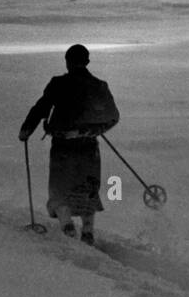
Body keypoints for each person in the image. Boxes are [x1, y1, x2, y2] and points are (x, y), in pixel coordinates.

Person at [18, 44, 119, 245]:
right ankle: (88, 231)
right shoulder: (100, 86)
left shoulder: (58, 83)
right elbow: (113, 117)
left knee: (59, 189)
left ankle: (67, 226)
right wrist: (93, 130)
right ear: (87, 62)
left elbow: (41, 108)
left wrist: (26, 130)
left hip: (62, 146)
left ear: (67, 61)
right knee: (87, 189)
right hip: (89, 146)